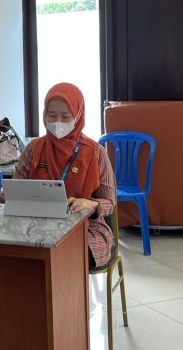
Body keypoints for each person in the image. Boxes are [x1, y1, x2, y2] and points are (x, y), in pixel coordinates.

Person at [12, 83, 116, 268]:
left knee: (67, 255)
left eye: (65, 116)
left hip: (85, 227)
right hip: (36, 224)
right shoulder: (34, 150)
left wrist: (89, 203)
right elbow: (14, 192)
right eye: (52, 115)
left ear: (78, 116)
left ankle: (66, 288)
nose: (58, 122)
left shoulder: (95, 152)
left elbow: (110, 202)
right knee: (15, 253)